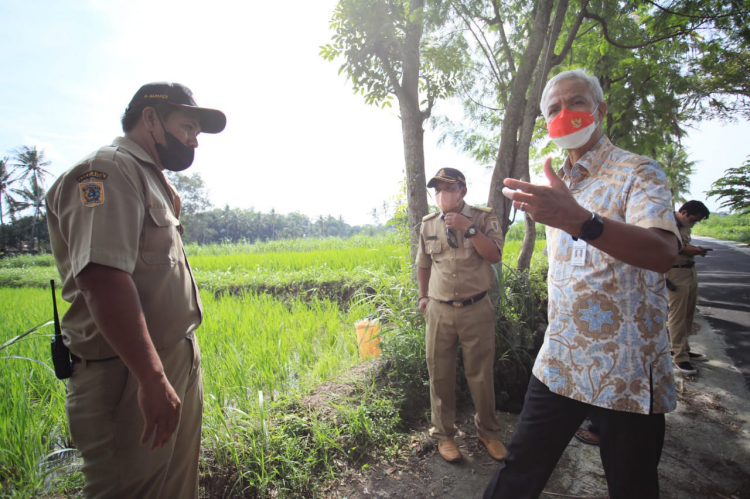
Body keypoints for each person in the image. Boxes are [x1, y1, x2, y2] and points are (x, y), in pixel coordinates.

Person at [484, 69, 680, 499]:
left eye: (576, 102)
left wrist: (581, 221)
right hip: (562, 359)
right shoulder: (553, 186)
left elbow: (663, 252)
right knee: (518, 472)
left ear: (600, 110)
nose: (564, 114)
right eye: (554, 109)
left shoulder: (638, 172)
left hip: (627, 368)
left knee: (632, 487)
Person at [45, 82, 226, 498]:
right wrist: (152, 376)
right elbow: (102, 279)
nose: (194, 140)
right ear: (150, 119)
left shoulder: (149, 178)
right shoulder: (106, 170)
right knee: (132, 489)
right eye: (188, 127)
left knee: (176, 488)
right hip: (127, 375)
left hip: (171, 359)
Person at [415, 168, 507, 463]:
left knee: (481, 375)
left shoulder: (483, 218)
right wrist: (423, 297)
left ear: (463, 192)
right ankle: (444, 435)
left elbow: (494, 255)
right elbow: (423, 264)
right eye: (438, 190)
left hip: (476, 309)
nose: (443, 195)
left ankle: (488, 432)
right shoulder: (429, 224)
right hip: (439, 310)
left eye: (450, 189)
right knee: (439, 374)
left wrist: (469, 227)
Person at [668, 200, 711, 375]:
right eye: (693, 219)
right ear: (684, 213)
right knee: (677, 315)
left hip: (689, 270)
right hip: (674, 272)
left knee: (688, 313)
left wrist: (695, 250)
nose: (693, 224)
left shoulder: (684, 226)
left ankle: (682, 347)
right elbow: (666, 245)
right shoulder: (666, 223)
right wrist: (688, 250)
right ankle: (680, 357)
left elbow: (683, 245)